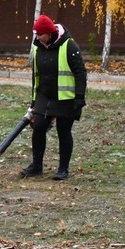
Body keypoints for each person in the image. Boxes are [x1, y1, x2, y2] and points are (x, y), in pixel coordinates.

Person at [22, 14, 87, 181]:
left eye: (40, 34)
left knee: (63, 131)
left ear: (49, 34)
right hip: (45, 94)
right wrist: (34, 100)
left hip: (66, 97)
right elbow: (35, 75)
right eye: (36, 34)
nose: (37, 38)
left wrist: (79, 98)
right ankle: (37, 166)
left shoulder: (69, 45)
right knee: (38, 128)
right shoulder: (37, 47)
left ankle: (63, 169)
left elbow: (80, 73)